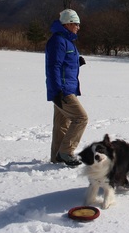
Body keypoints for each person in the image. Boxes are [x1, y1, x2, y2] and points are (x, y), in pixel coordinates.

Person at [45, 9, 88, 167]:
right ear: (68, 24)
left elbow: (63, 62)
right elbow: (53, 66)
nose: (78, 27)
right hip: (63, 90)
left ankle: (56, 157)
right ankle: (66, 152)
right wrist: (58, 90)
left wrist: (77, 61)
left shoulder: (66, 40)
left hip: (66, 87)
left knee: (61, 124)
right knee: (81, 118)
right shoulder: (58, 40)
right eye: (76, 24)